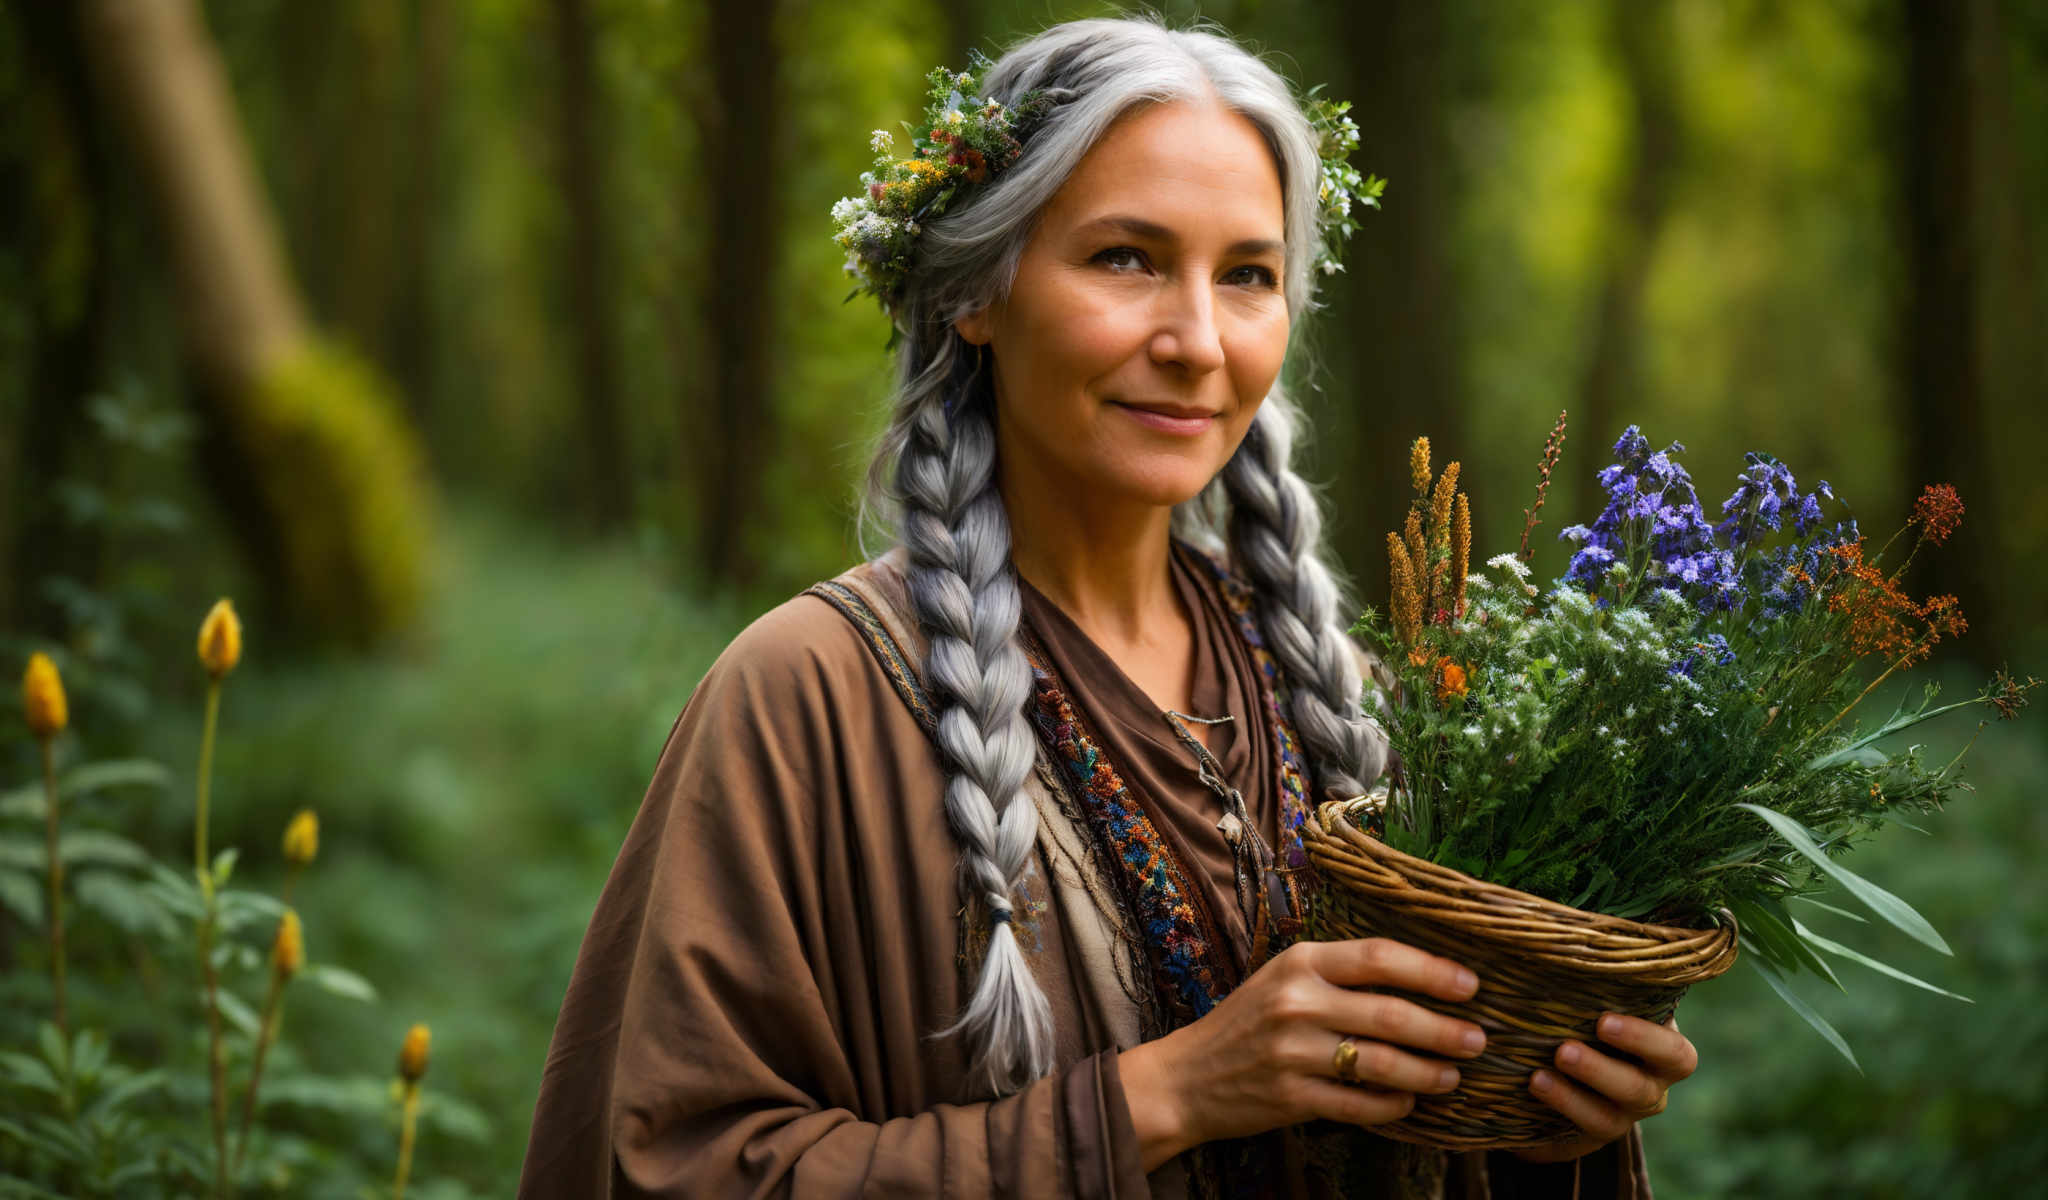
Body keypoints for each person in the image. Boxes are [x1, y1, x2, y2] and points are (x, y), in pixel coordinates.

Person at [517, 15, 1697, 1198]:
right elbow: (673, 1168)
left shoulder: (1360, 700)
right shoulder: (804, 700)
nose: (1194, 341)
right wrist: (1165, 1098)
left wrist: (1553, 1120)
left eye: (1246, 275)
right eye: (1125, 258)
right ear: (976, 293)